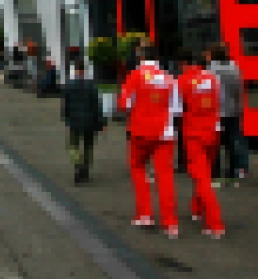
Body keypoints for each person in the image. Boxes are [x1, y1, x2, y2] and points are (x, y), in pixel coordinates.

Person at [119, 44, 181, 239]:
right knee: (165, 176)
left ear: (141, 56)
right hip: (165, 133)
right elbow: (177, 109)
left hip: (140, 132)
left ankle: (145, 214)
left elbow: (125, 104)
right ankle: (170, 223)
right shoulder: (170, 78)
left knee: (138, 169)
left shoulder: (135, 76)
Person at [177, 49, 225, 239]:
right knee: (204, 172)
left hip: (194, 133)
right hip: (213, 131)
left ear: (185, 64)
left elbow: (176, 107)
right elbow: (220, 103)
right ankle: (197, 208)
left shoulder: (183, 81)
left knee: (202, 177)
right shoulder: (213, 79)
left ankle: (215, 224)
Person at [60, 59, 106, 183]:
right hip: (90, 121)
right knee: (88, 147)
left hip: (75, 120)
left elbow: (66, 104)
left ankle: (77, 163)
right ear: (84, 71)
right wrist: (102, 122)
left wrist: (65, 117)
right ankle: (85, 170)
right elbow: (97, 105)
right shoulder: (92, 86)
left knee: (72, 145)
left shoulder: (69, 85)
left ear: (75, 70)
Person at [208, 43, 247, 182]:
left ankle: (215, 170)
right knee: (233, 142)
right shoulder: (234, 69)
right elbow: (239, 90)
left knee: (216, 143)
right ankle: (234, 169)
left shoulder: (211, 70)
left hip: (217, 112)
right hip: (233, 110)